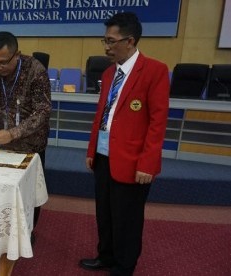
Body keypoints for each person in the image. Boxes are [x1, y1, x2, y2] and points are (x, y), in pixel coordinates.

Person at [79, 12, 170, 275]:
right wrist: (92, 150)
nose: (107, 47)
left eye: (111, 41)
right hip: (104, 155)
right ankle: (105, 256)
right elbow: (102, 114)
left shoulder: (155, 71)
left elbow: (157, 122)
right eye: (104, 40)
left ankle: (123, 266)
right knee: (105, 213)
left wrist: (148, 164)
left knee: (127, 220)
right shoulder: (109, 73)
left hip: (133, 162)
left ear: (130, 41)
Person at [0, 31, 52, 243]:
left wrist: (13, 133)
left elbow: (43, 112)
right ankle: (5, 226)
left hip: (32, 144)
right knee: (4, 188)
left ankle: (28, 232)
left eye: (3, 62)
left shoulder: (35, 71)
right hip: (2, 143)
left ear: (17, 55)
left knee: (30, 193)